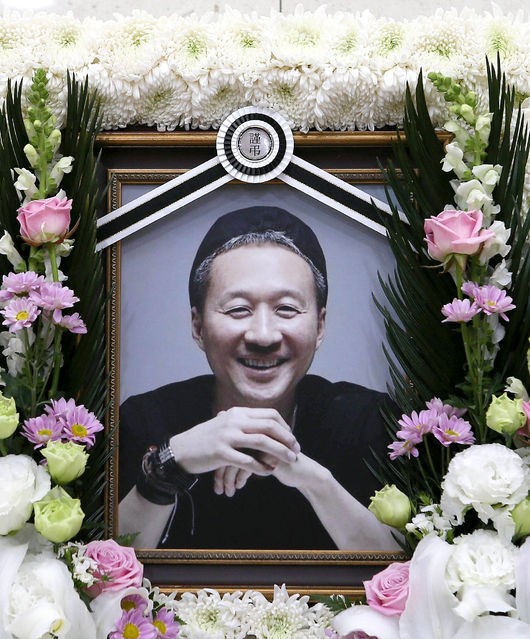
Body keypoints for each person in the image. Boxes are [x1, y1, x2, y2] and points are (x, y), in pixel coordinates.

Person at [118, 206, 399, 551]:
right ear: (198, 326)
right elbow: (97, 571)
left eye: (287, 309)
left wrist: (313, 479)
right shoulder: (144, 420)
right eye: (238, 309)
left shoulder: (369, 423)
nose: (263, 336)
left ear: (320, 326)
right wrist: (169, 465)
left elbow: (407, 572)